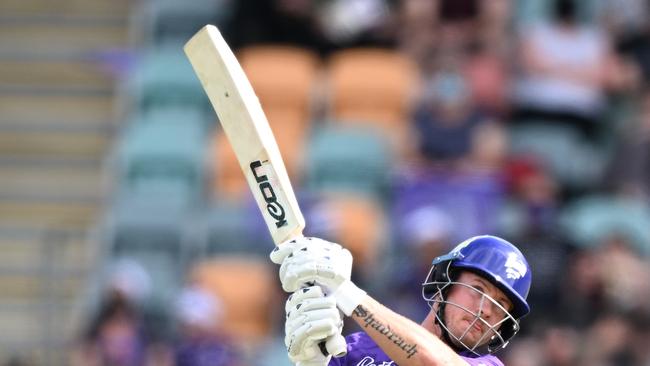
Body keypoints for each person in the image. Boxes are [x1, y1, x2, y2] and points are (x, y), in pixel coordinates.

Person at [270, 234, 531, 365]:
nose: (486, 310)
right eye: (477, 289)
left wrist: (345, 292)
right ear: (443, 285)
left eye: (501, 306)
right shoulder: (353, 349)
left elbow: (428, 361)